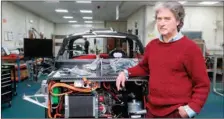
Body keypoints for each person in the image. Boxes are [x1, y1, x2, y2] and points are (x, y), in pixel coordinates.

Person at [116, 1, 210, 118]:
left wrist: (191, 109)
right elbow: (144, 67)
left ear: (178, 21)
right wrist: (126, 72)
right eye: (159, 19)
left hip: (176, 112)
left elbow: (202, 84)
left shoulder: (190, 48)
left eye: (167, 19)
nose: (162, 23)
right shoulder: (152, 46)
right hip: (152, 109)